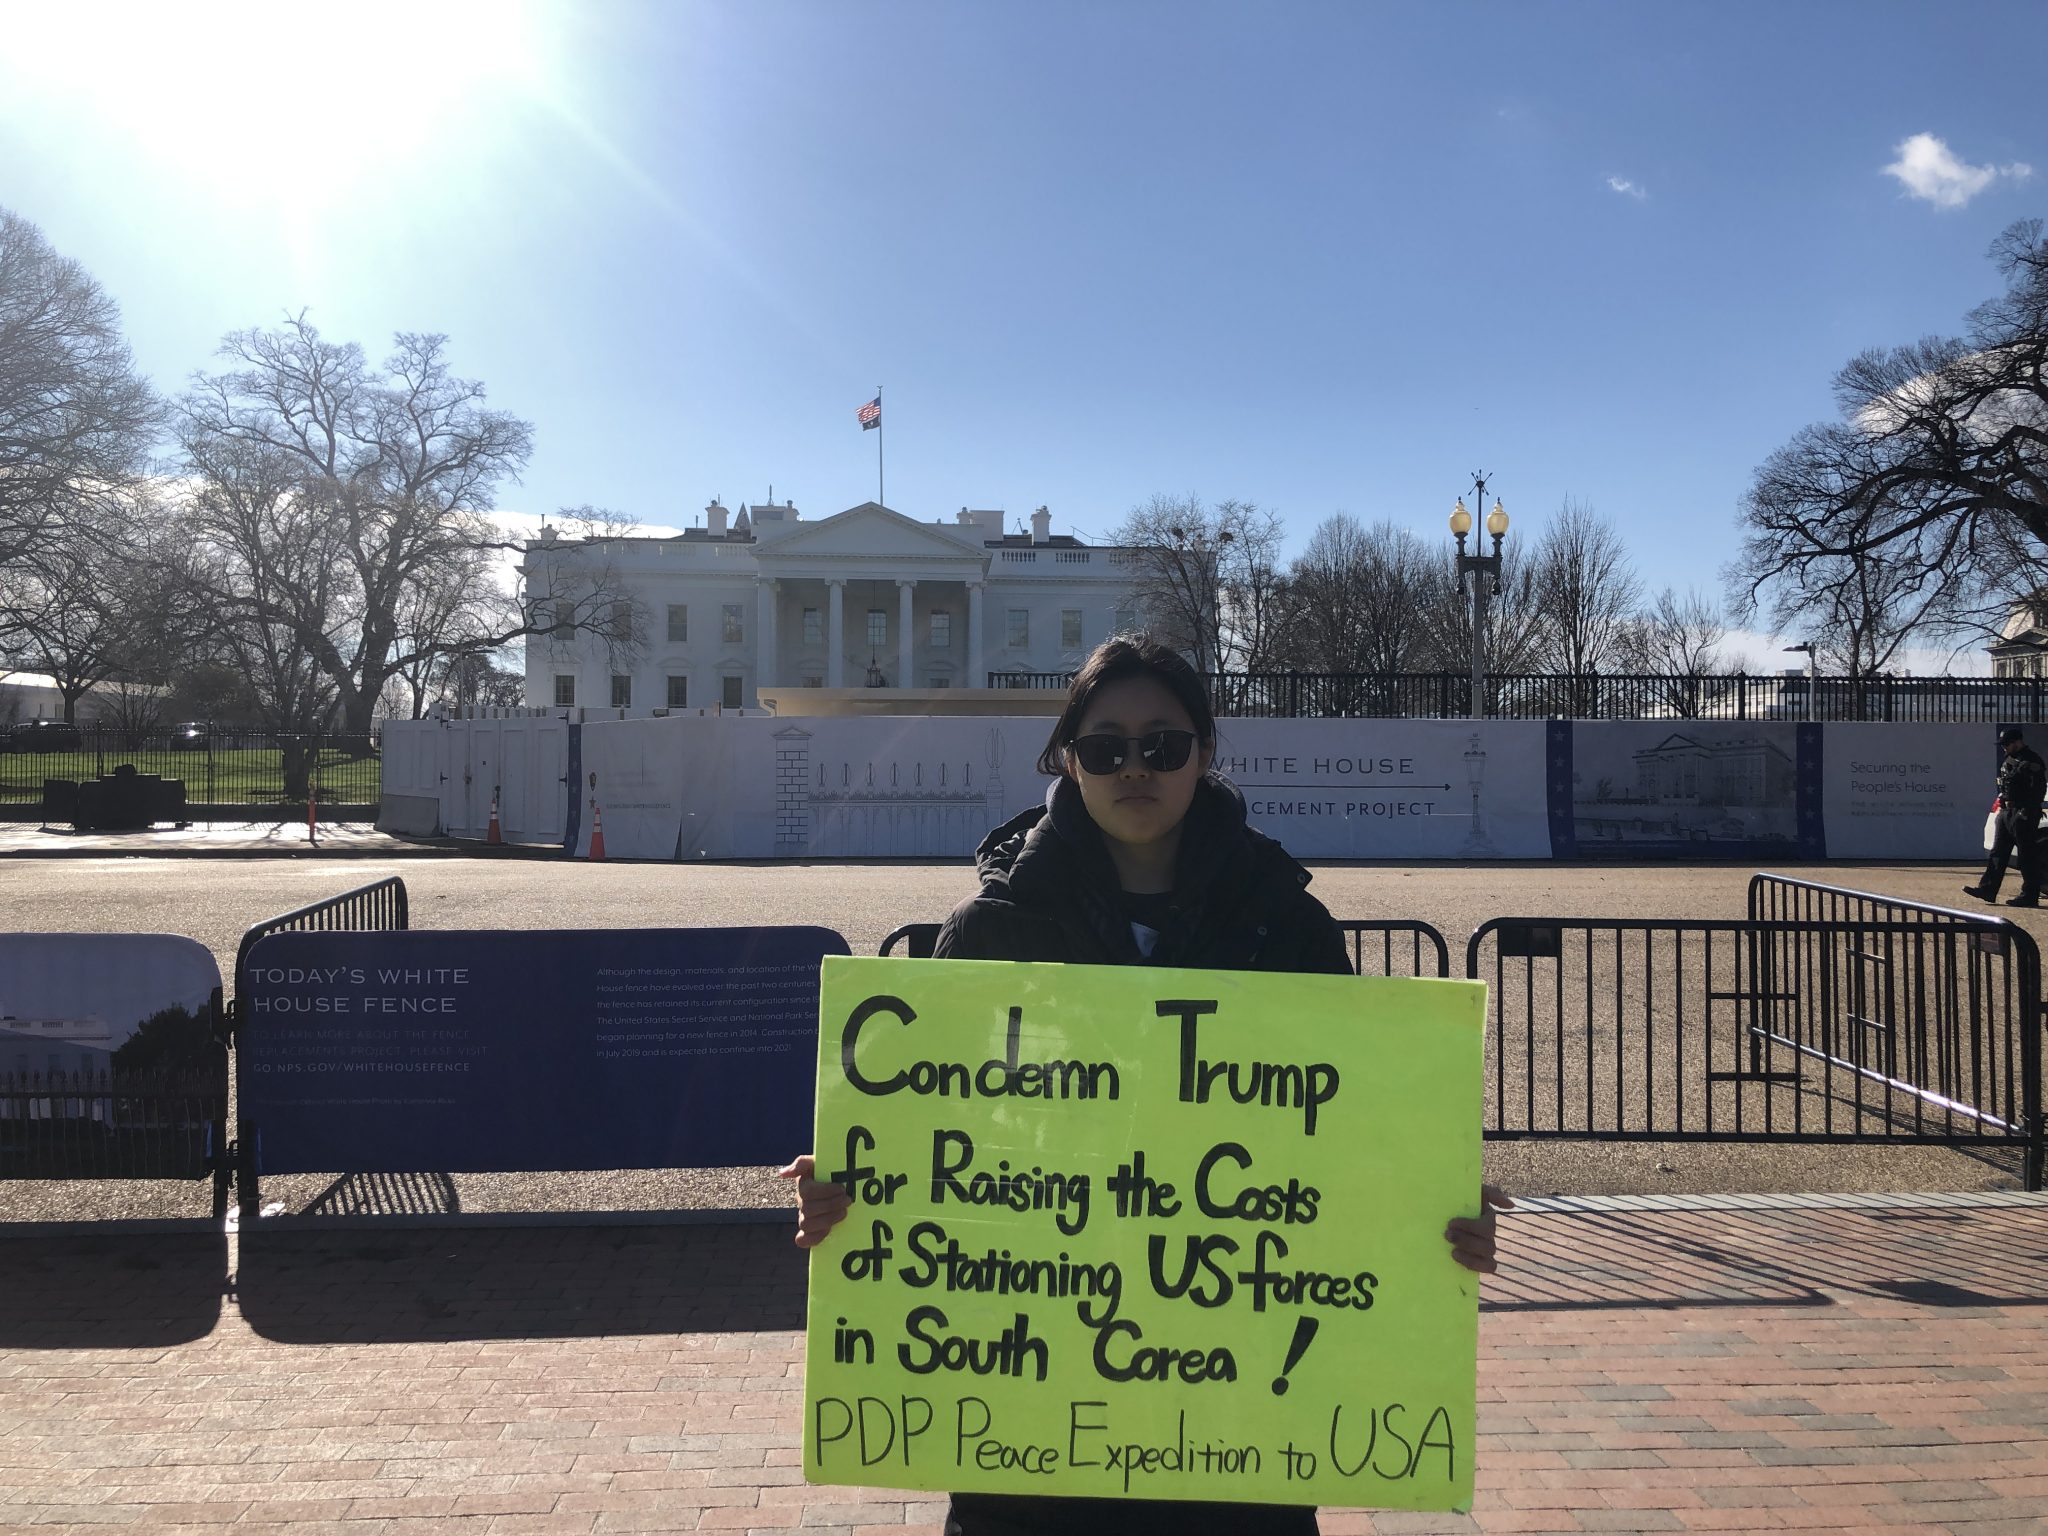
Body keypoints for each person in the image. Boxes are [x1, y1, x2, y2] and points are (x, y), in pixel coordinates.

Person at [780, 634, 1511, 1536]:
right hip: (1028, 1421)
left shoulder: (1286, 925)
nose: (1136, 768)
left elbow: (1348, 1133)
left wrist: (1428, 1201)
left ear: (1204, 752)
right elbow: (938, 1138)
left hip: (1238, 1428)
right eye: (1105, 748)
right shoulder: (989, 930)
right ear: (1068, 760)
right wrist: (859, 1187)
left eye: (1163, 745)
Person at [1965, 726, 2047, 907]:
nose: (2004, 748)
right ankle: (1988, 889)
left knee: (2027, 855)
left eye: (2007, 744)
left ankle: (2029, 895)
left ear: (2017, 742)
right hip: (2006, 812)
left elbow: (2038, 790)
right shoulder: (2009, 759)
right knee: (1998, 853)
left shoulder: (2032, 761)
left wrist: (2027, 810)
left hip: (2023, 812)